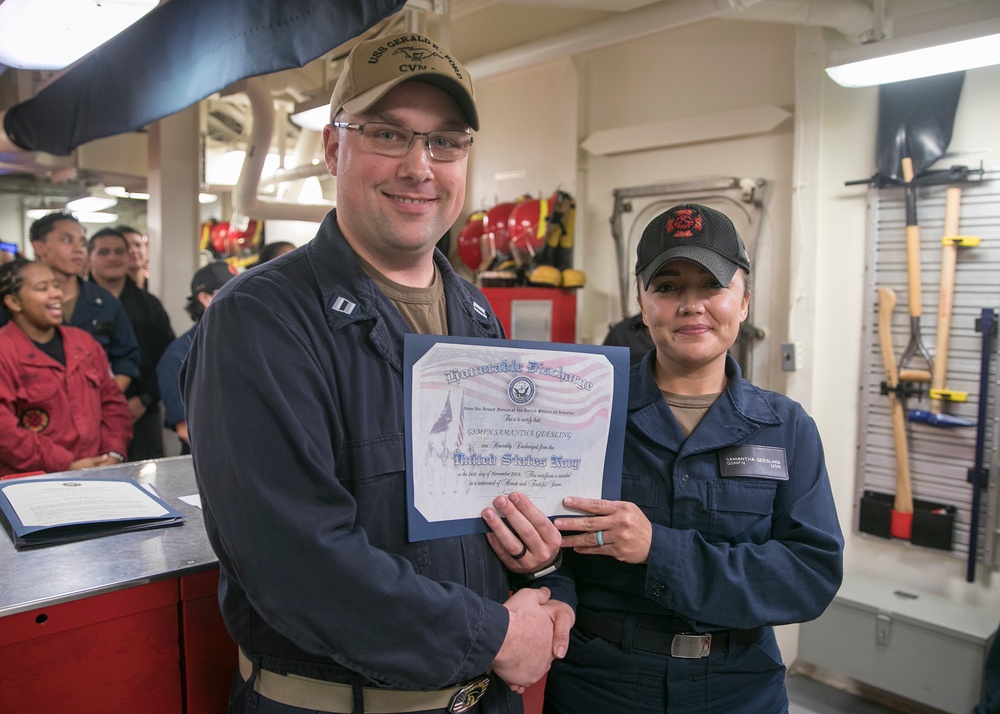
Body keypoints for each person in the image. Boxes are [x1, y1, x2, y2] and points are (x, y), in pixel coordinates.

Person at [180, 31, 572, 714]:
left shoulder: (475, 313)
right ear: (334, 148)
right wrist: (498, 632)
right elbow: (298, 563)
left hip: (480, 699)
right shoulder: (260, 320)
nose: (421, 167)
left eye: (445, 142)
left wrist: (545, 575)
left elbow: (508, 497)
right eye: (389, 134)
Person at [487, 205, 845, 714]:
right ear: (642, 301)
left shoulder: (786, 429)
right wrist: (551, 583)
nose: (691, 306)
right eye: (669, 287)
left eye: (712, 286)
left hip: (738, 689)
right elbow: (547, 550)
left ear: (744, 302)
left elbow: (809, 577)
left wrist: (659, 548)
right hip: (602, 685)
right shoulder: (582, 412)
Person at [0, 259, 132, 476]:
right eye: (43, 288)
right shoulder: (5, 351)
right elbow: (5, 432)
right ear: (14, 302)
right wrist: (65, 465)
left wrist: (114, 452)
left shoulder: (85, 344)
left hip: (96, 474)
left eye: (55, 286)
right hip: (32, 482)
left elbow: (113, 404)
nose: (56, 294)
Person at [1, 212, 141, 393]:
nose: (79, 249)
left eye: (83, 242)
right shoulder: (14, 301)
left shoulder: (105, 301)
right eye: (67, 240)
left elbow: (126, 358)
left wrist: (102, 400)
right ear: (39, 247)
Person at [88, 228, 176, 461]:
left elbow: (167, 359)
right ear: (90, 258)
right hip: (86, 414)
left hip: (140, 412)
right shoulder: (76, 303)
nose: (113, 257)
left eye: (119, 251)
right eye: (104, 252)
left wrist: (145, 399)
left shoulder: (149, 305)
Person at [156, 261, 235, 455]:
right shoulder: (179, 356)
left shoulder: (251, 342)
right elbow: (186, 430)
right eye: (233, 291)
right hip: (213, 465)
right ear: (205, 299)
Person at [117, 225, 150, 291]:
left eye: (138, 245)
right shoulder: (112, 292)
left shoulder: (154, 287)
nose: (133, 250)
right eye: (127, 246)